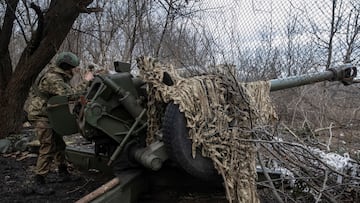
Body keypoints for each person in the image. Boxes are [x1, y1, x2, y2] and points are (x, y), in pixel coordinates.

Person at [25, 52, 93, 194]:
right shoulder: (53, 78)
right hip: (40, 115)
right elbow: (70, 96)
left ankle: (63, 172)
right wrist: (86, 80)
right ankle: (39, 181)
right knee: (48, 146)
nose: (75, 71)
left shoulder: (58, 76)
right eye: (74, 68)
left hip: (48, 114)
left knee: (60, 144)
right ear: (66, 67)